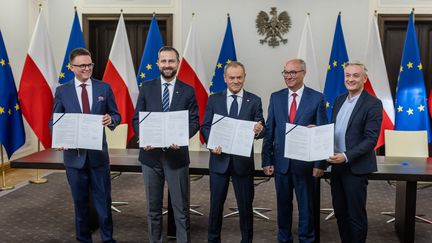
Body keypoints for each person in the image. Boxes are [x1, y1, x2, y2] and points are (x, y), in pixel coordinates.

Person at [51, 48, 120, 243]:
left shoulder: (103, 88)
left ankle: (108, 239)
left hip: (98, 157)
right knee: (80, 203)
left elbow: (116, 114)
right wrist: (58, 138)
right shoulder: (62, 91)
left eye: (89, 64)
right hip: (74, 158)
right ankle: (83, 239)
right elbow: (55, 120)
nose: (87, 68)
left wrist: (111, 119)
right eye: (82, 65)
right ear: (72, 67)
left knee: (103, 202)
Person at [132, 46, 199, 243]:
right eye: (164, 61)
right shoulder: (147, 87)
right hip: (150, 157)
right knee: (153, 208)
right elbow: (137, 118)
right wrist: (144, 136)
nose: (167, 65)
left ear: (177, 63)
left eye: (171, 61)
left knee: (180, 208)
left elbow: (194, 121)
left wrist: (182, 136)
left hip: (177, 157)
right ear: (158, 63)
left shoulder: (188, 90)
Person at [261, 58, 327, 242]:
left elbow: (321, 132)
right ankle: (284, 238)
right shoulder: (276, 97)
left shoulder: (317, 98)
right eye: (286, 73)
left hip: (306, 165)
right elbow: (270, 130)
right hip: (281, 164)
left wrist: (320, 163)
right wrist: (267, 160)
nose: (288, 76)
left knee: (307, 208)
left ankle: (307, 239)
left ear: (303, 73)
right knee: (283, 206)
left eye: (293, 72)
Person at [201, 61, 265, 243]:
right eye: (232, 78)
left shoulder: (254, 100)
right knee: (215, 206)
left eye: (239, 77)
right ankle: (213, 240)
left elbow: (262, 129)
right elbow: (205, 126)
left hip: (243, 163)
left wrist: (260, 130)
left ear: (244, 77)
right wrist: (211, 144)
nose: (235, 81)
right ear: (225, 78)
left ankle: (247, 240)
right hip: (219, 160)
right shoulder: (214, 99)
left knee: (245, 207)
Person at [327, 62, 382, 243]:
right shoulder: (339, 100)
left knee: (355, 216)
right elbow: (334, 131)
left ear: (364, 79)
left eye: (355, 75)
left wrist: (346, 156)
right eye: (348, 75)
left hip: (355, 167)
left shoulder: (373, 103)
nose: (351, 79)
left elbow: (370, 139)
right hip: (337, 166)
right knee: (341, 213)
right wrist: (317, 132)